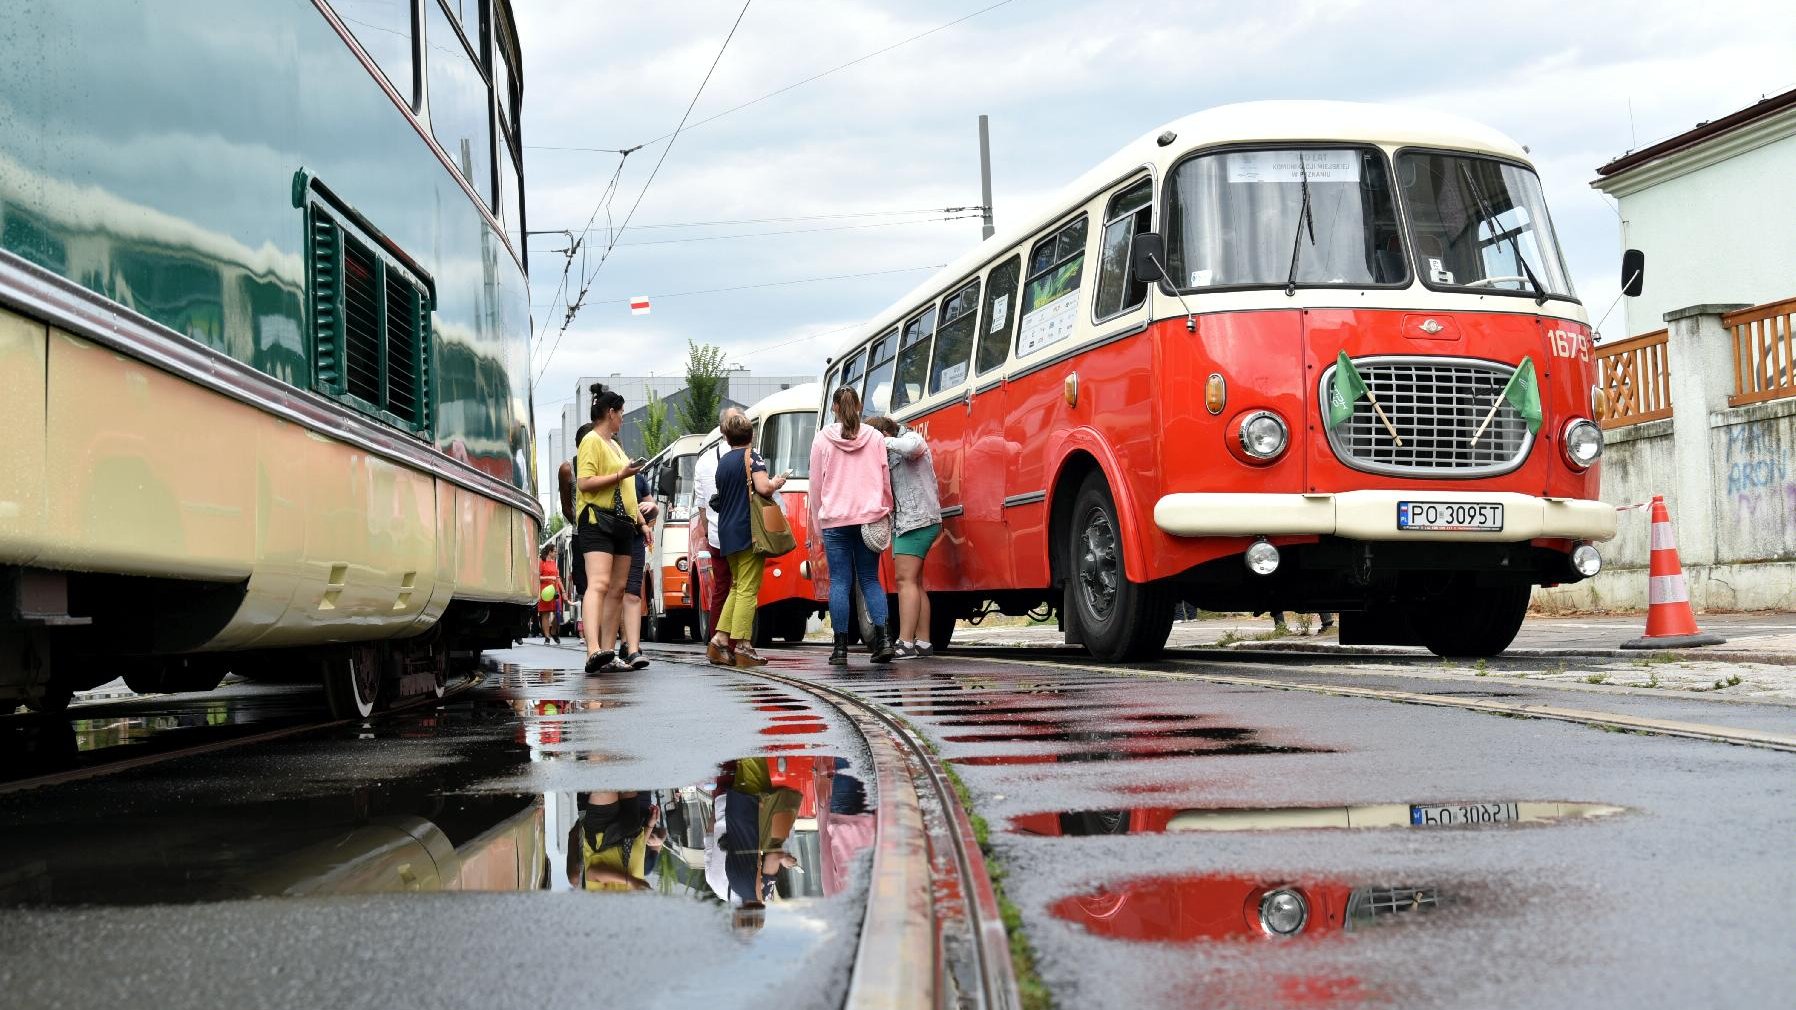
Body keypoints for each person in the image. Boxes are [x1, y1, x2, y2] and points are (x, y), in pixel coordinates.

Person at [808, 387, 894, 666]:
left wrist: (818, 524)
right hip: (869, 517)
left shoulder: (822, 440)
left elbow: (816, 488)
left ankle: (841, 648)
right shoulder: (876, 437)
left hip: (835, 520)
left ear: (834, 407)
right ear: (858, 406)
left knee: (840, 583)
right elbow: (884, 479)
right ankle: (883, 641)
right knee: (870, 580)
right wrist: (885, 510)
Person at [574, 385, 647, 674]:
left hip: (623, 523)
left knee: (617, 588)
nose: (623, 419)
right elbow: (585, 483)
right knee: (600, 584)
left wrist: (640, 521)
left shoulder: (614, 444)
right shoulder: (591, 440)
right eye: (621, 413)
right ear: (610, 413)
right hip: (597, 520)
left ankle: (607, 651)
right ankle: (593, 649)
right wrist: (621, 473)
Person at [709, 413, 786, 667]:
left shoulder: (723, 462)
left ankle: (720, 640)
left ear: (727, 437)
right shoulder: (752, 457)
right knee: (748, 589)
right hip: (748, 530)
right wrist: (776, 482)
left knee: (736, 586)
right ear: (751, 435)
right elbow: (763, 488)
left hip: (727, 531)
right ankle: (743, 645)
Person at [865, 417, 942, 659]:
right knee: (916, 583)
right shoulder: (887, 452)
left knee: (904, 581)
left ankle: (905, 642)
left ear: (886, 433)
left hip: (916, 521)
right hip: (908, 523)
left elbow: (913, 448)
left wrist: (882, 441)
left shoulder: (910, 438)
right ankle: (924, 642)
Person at [690, 406, 745, 663]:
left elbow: (702, 506)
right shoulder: (746, 456)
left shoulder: (703, 461)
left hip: (716, 534)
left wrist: (712, 530)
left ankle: (717, 643)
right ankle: (734, 643)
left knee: (722, 588)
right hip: (741, 533)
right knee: (742, 588)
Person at [610, 457, 656, 670]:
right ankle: (610, 647)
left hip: (635, 537)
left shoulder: (639, 479)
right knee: (615, 593)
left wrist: (651, 507)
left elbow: (651, 507)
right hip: (610, 538)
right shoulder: (609, 475)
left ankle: (632, 649)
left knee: (633, 592)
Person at [536, 543, 564, 644]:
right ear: (550, 552)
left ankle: (553, 631)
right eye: (555, 551)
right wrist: (549, 578)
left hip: (555, 590)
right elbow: (537, 577)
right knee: (545, 614)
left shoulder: (554, 562)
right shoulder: (541, 562)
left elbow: (558, 578)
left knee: (558, 613)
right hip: (545, 591)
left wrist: (563, 591)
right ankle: (547, 636)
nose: (556, 553)